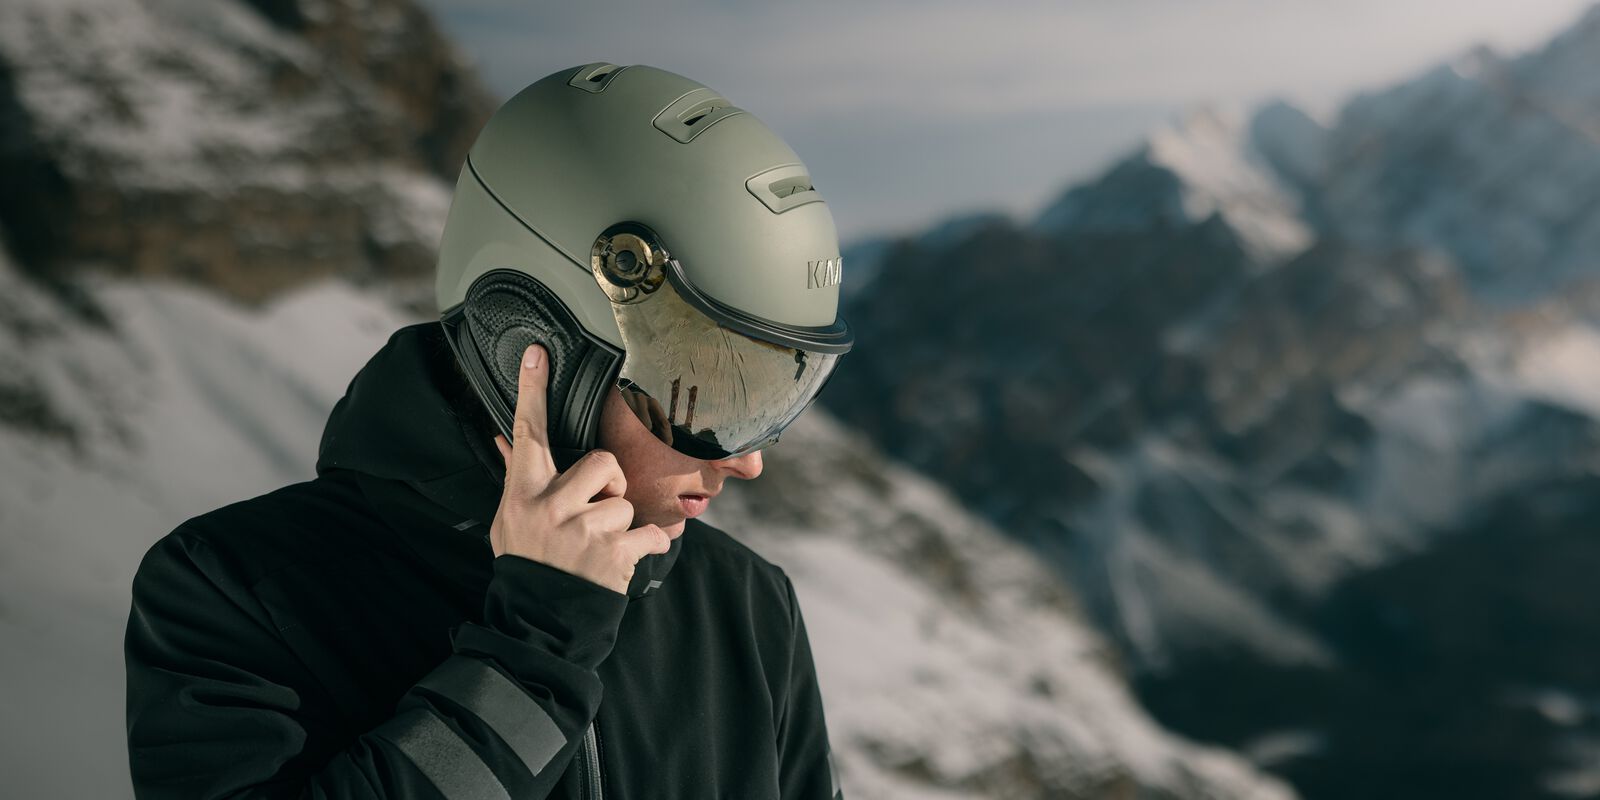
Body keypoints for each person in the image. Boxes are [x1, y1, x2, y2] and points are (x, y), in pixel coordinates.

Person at [124, 63, 852, 799]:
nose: (749, 463)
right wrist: (537, 651)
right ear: (530, 344)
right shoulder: (234, 588)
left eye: (773, 399)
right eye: (704, 400)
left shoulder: (748, 605)